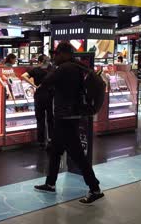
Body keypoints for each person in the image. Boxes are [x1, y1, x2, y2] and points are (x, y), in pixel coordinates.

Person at [34, 42, 104, 205]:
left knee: (78, 155)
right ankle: (50, 183)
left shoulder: (65, 68)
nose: (54, 57)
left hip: (66, 117)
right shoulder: (78, 67)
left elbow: (46, 82)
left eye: (57, 54)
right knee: (55, 150)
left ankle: (95, 189)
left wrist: (52, 70)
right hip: (69, 116)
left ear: (65, 54)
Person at [21, 55, 53, 149]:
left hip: (39, 96)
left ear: (39, 61)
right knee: (51, 119)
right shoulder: (52, 69)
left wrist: (34, 85)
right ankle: (51, 139)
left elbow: (23, 76)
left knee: (40, 120)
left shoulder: (36, 70)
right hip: (50, 96)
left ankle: (41, 142)